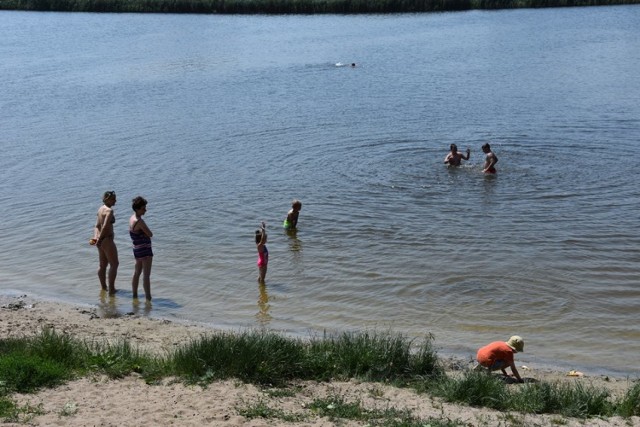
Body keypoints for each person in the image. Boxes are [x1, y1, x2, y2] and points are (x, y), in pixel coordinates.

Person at [94, 191, 119, 295]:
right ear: (107, 199)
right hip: (106, 239)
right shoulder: (109, 211)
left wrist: (96, 238)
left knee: (103, 265)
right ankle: (111, 290)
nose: (115, 200)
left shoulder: (100, 209)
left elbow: (96, 226)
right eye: (113, 199)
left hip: (100, 239)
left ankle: (104, 288)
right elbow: (104, 226)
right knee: (114, 264)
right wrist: (100, 240)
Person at [129, 196, 153, 301]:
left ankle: (134, 295)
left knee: (137, 272)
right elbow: (150, 234)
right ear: (137, 209)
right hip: (145, 250)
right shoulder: (140, 221)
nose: (145, 210)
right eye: (143, 208)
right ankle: (148, 298)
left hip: (137, 249)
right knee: (146, 275)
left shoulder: (131, 218)